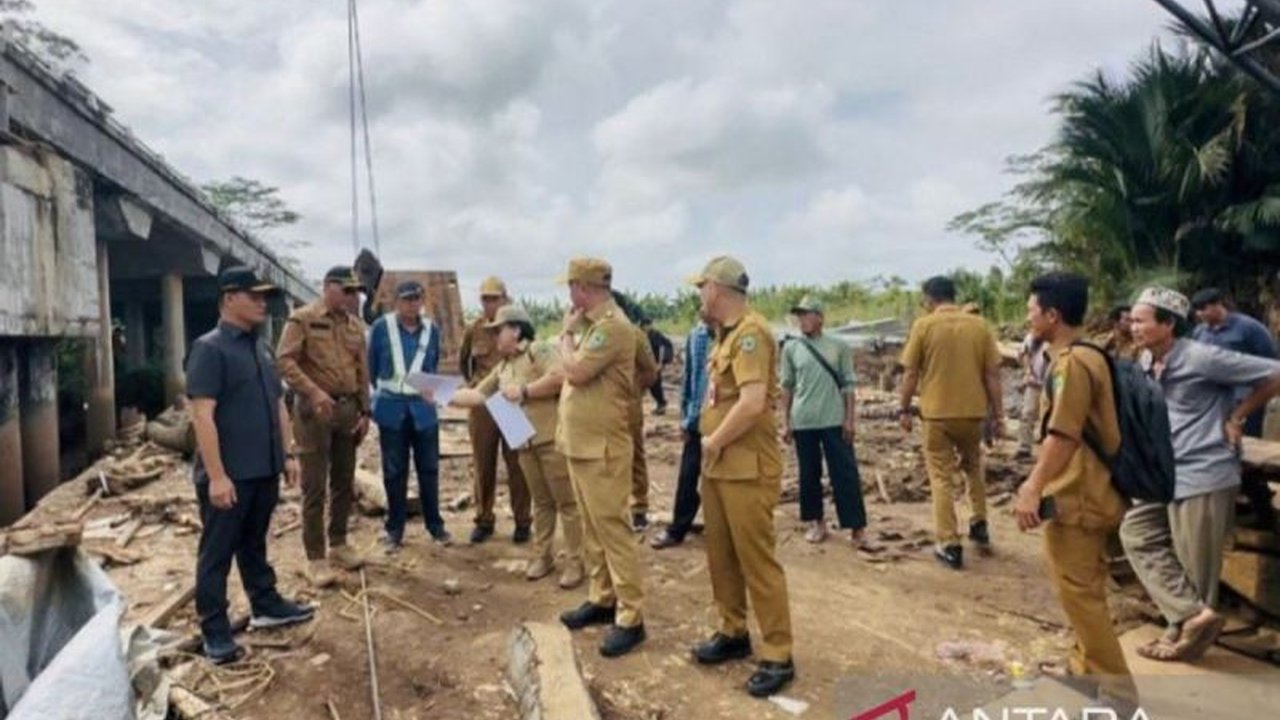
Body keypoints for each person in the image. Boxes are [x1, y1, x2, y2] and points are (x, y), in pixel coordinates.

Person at [1122, 287, 1280, 662]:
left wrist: (1238, 416)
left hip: (1203, 471)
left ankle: (1183, 639)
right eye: (1132, 319)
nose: (1133, 326)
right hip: (1165, 471)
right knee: (1136, 532)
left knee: (1196, 566)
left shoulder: (1203, 357)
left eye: (1141, 320)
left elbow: (1274, 373)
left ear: (1168, 324)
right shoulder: (1146, 359)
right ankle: (1192, 615)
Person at [1013, 272, 1137, 713]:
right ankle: (1085, 673)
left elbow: (1062, 436)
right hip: (1094, 493)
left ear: (1053, 315)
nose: (1027, 317)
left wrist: (1032, 487)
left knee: (1080, 597)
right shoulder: (1089, 355)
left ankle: (1118, 694)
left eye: (1031, 310)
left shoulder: (1070, 366)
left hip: (1079, 498)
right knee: (1087, 589)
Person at [188, 266, 313, 663]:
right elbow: (202, 415)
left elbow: (279, 404)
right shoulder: (209, 348)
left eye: (265, 297)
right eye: (254, 296)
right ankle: (215, 631)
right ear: (229, 299)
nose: (263, 303)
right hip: (231, 473)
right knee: (217, 553)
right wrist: (218, 476)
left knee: (254, 542)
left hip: (263, 467)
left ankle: (265, 605)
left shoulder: (260, 347)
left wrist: (288, 454)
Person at [688, 256, 795, 699]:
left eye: (701, 289)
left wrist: (714, 441)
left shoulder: (751, 334)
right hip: (721, 466)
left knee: (756, 560)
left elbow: (752, 403)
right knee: (722, 555)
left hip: (745, 466)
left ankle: (778, 652)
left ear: (716, 289)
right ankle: (732, 631)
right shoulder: (724, 336)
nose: (698, 296)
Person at [448, 305, 585, 589]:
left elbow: (561, 378)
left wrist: (525, 391)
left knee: (567, 503)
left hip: (549, 438)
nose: (495, 336)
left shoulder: (539, 352)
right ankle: (543, 556)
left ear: (517, 330)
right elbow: (476, 394)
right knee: (542, 502)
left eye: (500, 330)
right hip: (523, 441)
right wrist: (440, 394)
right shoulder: (504, 367)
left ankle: (575, 561)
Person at [554, 257, 646, 658]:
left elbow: (574, 372)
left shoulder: (612, 328)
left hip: (602, 448)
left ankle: (631, 616)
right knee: (592, 528)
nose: (569, 295)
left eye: (571, 287)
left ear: (583, 289)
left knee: (612, 530)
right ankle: (602, 596)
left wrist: (565, 335)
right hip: (580, 444)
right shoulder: (594, 328)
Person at [898, 276, 1003, 569]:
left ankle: (949, 542)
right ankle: (979, 522)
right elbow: (993, 375)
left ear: (930, 300)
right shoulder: (979, 325)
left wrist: (903, 409)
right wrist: (999, 415)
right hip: (973, 413)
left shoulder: (924, 326)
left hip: (937, 415)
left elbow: (910, 374)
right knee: (973, 467)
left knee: (941, 477)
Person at [277, 266, 371, 588]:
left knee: (344, 480)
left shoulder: (355, 326)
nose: (351, 297)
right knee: (314, 486)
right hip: (313, 411)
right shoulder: (302, 319)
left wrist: (365, 410)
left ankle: (339, 542)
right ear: (327, 287)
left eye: (354, 292)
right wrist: (314, 391)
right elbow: (285, 361)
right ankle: (315, 557)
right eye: (345, 291)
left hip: (347, 410)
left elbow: (362, 370)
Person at [366, 280, 451, 551]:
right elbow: (372, 366)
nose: (412, 304)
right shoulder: (382, 328)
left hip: (423, 411)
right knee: (394, 472)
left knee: (429, 469)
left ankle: (435, 525)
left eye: (416, 299)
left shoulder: (431, 330)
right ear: (396, 302)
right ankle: (395, 530)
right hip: (392, 410)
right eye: (406, 300)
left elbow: (432, 364)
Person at [780, 296, 867, 546]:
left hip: (833, 419)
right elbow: (787, 386)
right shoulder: (791, 349)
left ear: (820, 317)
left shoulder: (838, 346)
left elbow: (849, 384)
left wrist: (850, 419)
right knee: (809, 474)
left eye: (807, 315)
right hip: (804, 420)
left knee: (845, 473)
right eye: (800, 316)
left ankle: (856, 527)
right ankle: (816, 522)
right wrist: (785, 422)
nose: (802, 320)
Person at [459, 276, 532, 545]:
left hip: (512, 403)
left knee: (519, 466)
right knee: (483, 464)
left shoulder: (517, 324)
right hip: (483, 404)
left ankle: (523, 521)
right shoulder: (474, 329)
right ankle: (484, 519)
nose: (488, 304)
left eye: (494, 299)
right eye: (484, 299)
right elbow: (463, 361)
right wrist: (474, 388)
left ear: (505, 298)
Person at [651, 318, 712, 550]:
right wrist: (685, 418)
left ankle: (721, 528)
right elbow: (689, 379)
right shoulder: (696, 335)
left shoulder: (735, 333)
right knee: (688, 477)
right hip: (697, 422)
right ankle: (678, 528)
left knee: (721, 481)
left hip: (724, 423)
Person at [1190, 287, 1278, 438]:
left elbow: (1269, 360)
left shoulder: (1249, 327)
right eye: (1197, 310)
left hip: (1246, 399)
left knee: (1248, 443)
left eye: (1204, 309)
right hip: (1213, 401)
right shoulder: (1200, 332)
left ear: (1218, 304)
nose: (1200, 314)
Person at [1016, 331, 1051, 458]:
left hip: (1051, 384)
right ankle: (1024, 446)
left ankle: (1048, 447)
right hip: (1034, 381)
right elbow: (1024, 353)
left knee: (1050, 417)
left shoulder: (1057, 339)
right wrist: (1028, 371)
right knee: (1027, 413)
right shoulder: (1032, 337)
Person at [642, 318, 675, 415]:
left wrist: (660, 363)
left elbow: (661, 348)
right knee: (653, 384)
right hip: (653, 362)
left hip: (658, 362)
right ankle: (660, 404)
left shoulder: (655, 334)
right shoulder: (646, 334)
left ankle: (661, 404)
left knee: (655, 384)